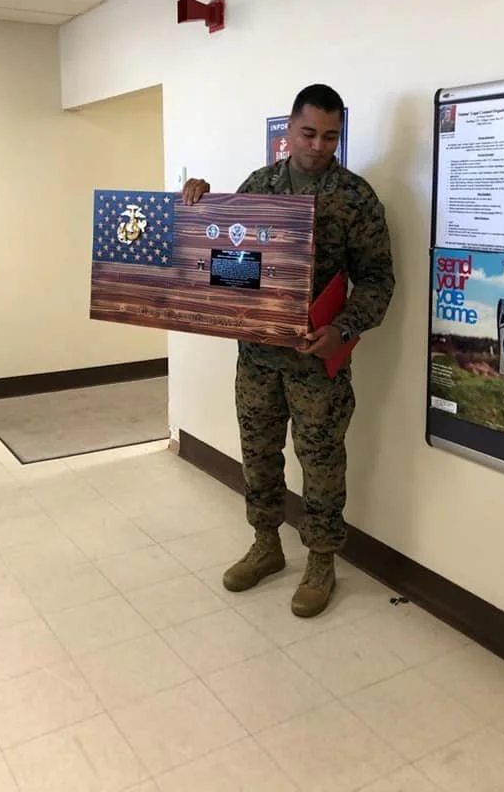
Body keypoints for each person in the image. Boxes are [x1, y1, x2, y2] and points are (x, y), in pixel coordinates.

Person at [183, 84, 395, 618]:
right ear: (289, 130)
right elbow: (226, 254)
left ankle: (321, 559)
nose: (319, 145)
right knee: (257, 452)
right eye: (308, 132)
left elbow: (377, 280)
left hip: (315, 360)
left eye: (330, 135)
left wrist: (344, 330)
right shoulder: (260, 185)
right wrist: (199, 203)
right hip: (257, 355)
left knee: (320, 460)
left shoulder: (355, 197)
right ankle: (266, 544)